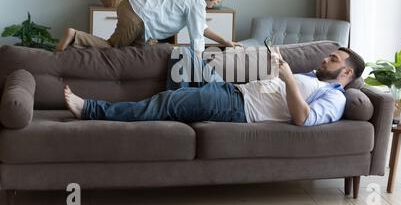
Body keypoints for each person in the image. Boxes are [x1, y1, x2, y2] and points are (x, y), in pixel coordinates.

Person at [64, 47, 366, 127]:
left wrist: (287, 78)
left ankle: (90, 109)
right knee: (182, 55)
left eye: (334, 58)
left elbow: (302, 118)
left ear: (347, 72)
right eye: (330, 54)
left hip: (237, 107)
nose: (326, 58)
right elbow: (281, 93)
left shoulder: (335, 100)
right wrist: (277, 71)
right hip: (232, 90)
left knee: (167, 101)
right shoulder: (315, 76)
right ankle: (181, 109)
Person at [56, 0, 240, 54]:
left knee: (139, 51)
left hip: (133, 8)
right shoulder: (196, 2)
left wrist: (226, 41)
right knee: (114, 47)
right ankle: (75, 36)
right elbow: (197, 37)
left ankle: (78, 46)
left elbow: (201, 28)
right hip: (137, 15)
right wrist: (198, 63)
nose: (218, 1)